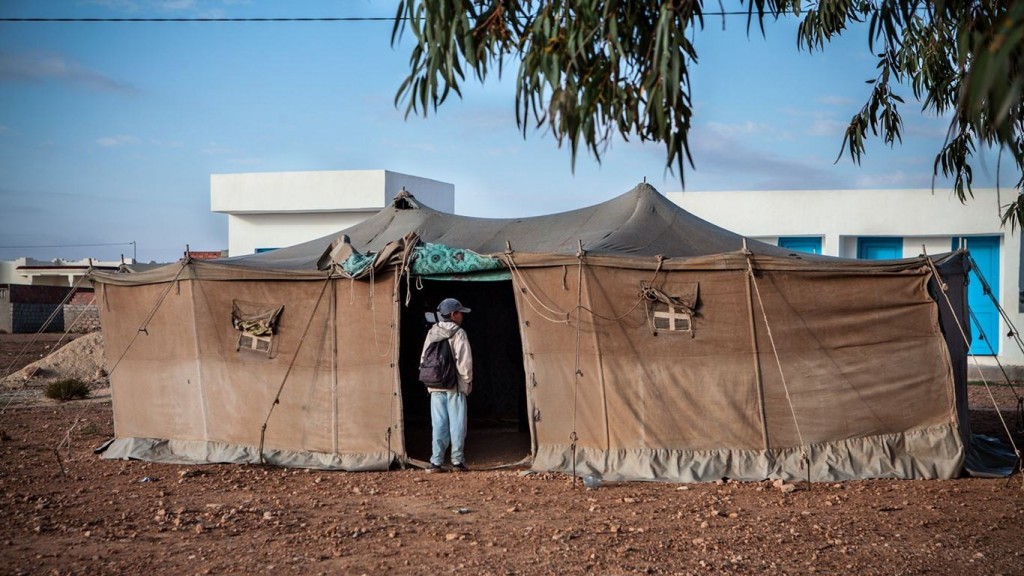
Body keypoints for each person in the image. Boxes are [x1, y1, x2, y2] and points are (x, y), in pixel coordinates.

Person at [422, 297, 473, 472]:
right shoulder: (459, 333)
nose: (462, 316)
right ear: (454, 314)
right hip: (454, 385)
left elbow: (424, 358)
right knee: (457, 423)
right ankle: (457, 461)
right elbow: (464, 362)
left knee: (438, 423)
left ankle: (436, 461)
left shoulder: (432, 332)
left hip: (435, 384)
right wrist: (467, 381)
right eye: (460, 313)